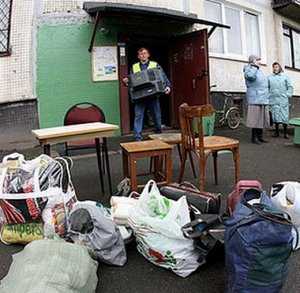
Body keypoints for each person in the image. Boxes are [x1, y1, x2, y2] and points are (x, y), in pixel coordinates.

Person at [123, 47, 171, 141]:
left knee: (156, 115)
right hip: (140, 95)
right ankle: (137, 137)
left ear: (148, 55)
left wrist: (168, 86)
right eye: (141, 54)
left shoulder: (155, 64)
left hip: (153, 94)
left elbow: (163, 76)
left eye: (145, 53)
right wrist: (126, 82)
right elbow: (131, 81)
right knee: (138, 115)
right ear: (138, 56)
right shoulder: (134, 66)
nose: (143, 55)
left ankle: (158, 132)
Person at [244, 55, 270, 144]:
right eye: (257, 60)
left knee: (261, 119)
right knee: (255, 119)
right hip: (255, 98)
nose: (259, 61)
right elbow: (250, 77)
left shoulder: (258, 70)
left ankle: (260, 137)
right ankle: (254, 138)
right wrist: (254, 67)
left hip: (263, 98)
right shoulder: (249, 69)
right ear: (253, 61)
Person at [268, 62, 293, 139]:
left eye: (277, 67)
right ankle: (276, 132)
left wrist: (287, 94)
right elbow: (267, 87)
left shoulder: (285, 77)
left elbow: (290, 87)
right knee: (275, 116)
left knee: (284, 116)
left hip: (283, 100)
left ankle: (285, 133)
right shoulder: (269, 77)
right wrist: (268, 96)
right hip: (273, 99)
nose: (275, 68)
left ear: (280, 68)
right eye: (274, 67)